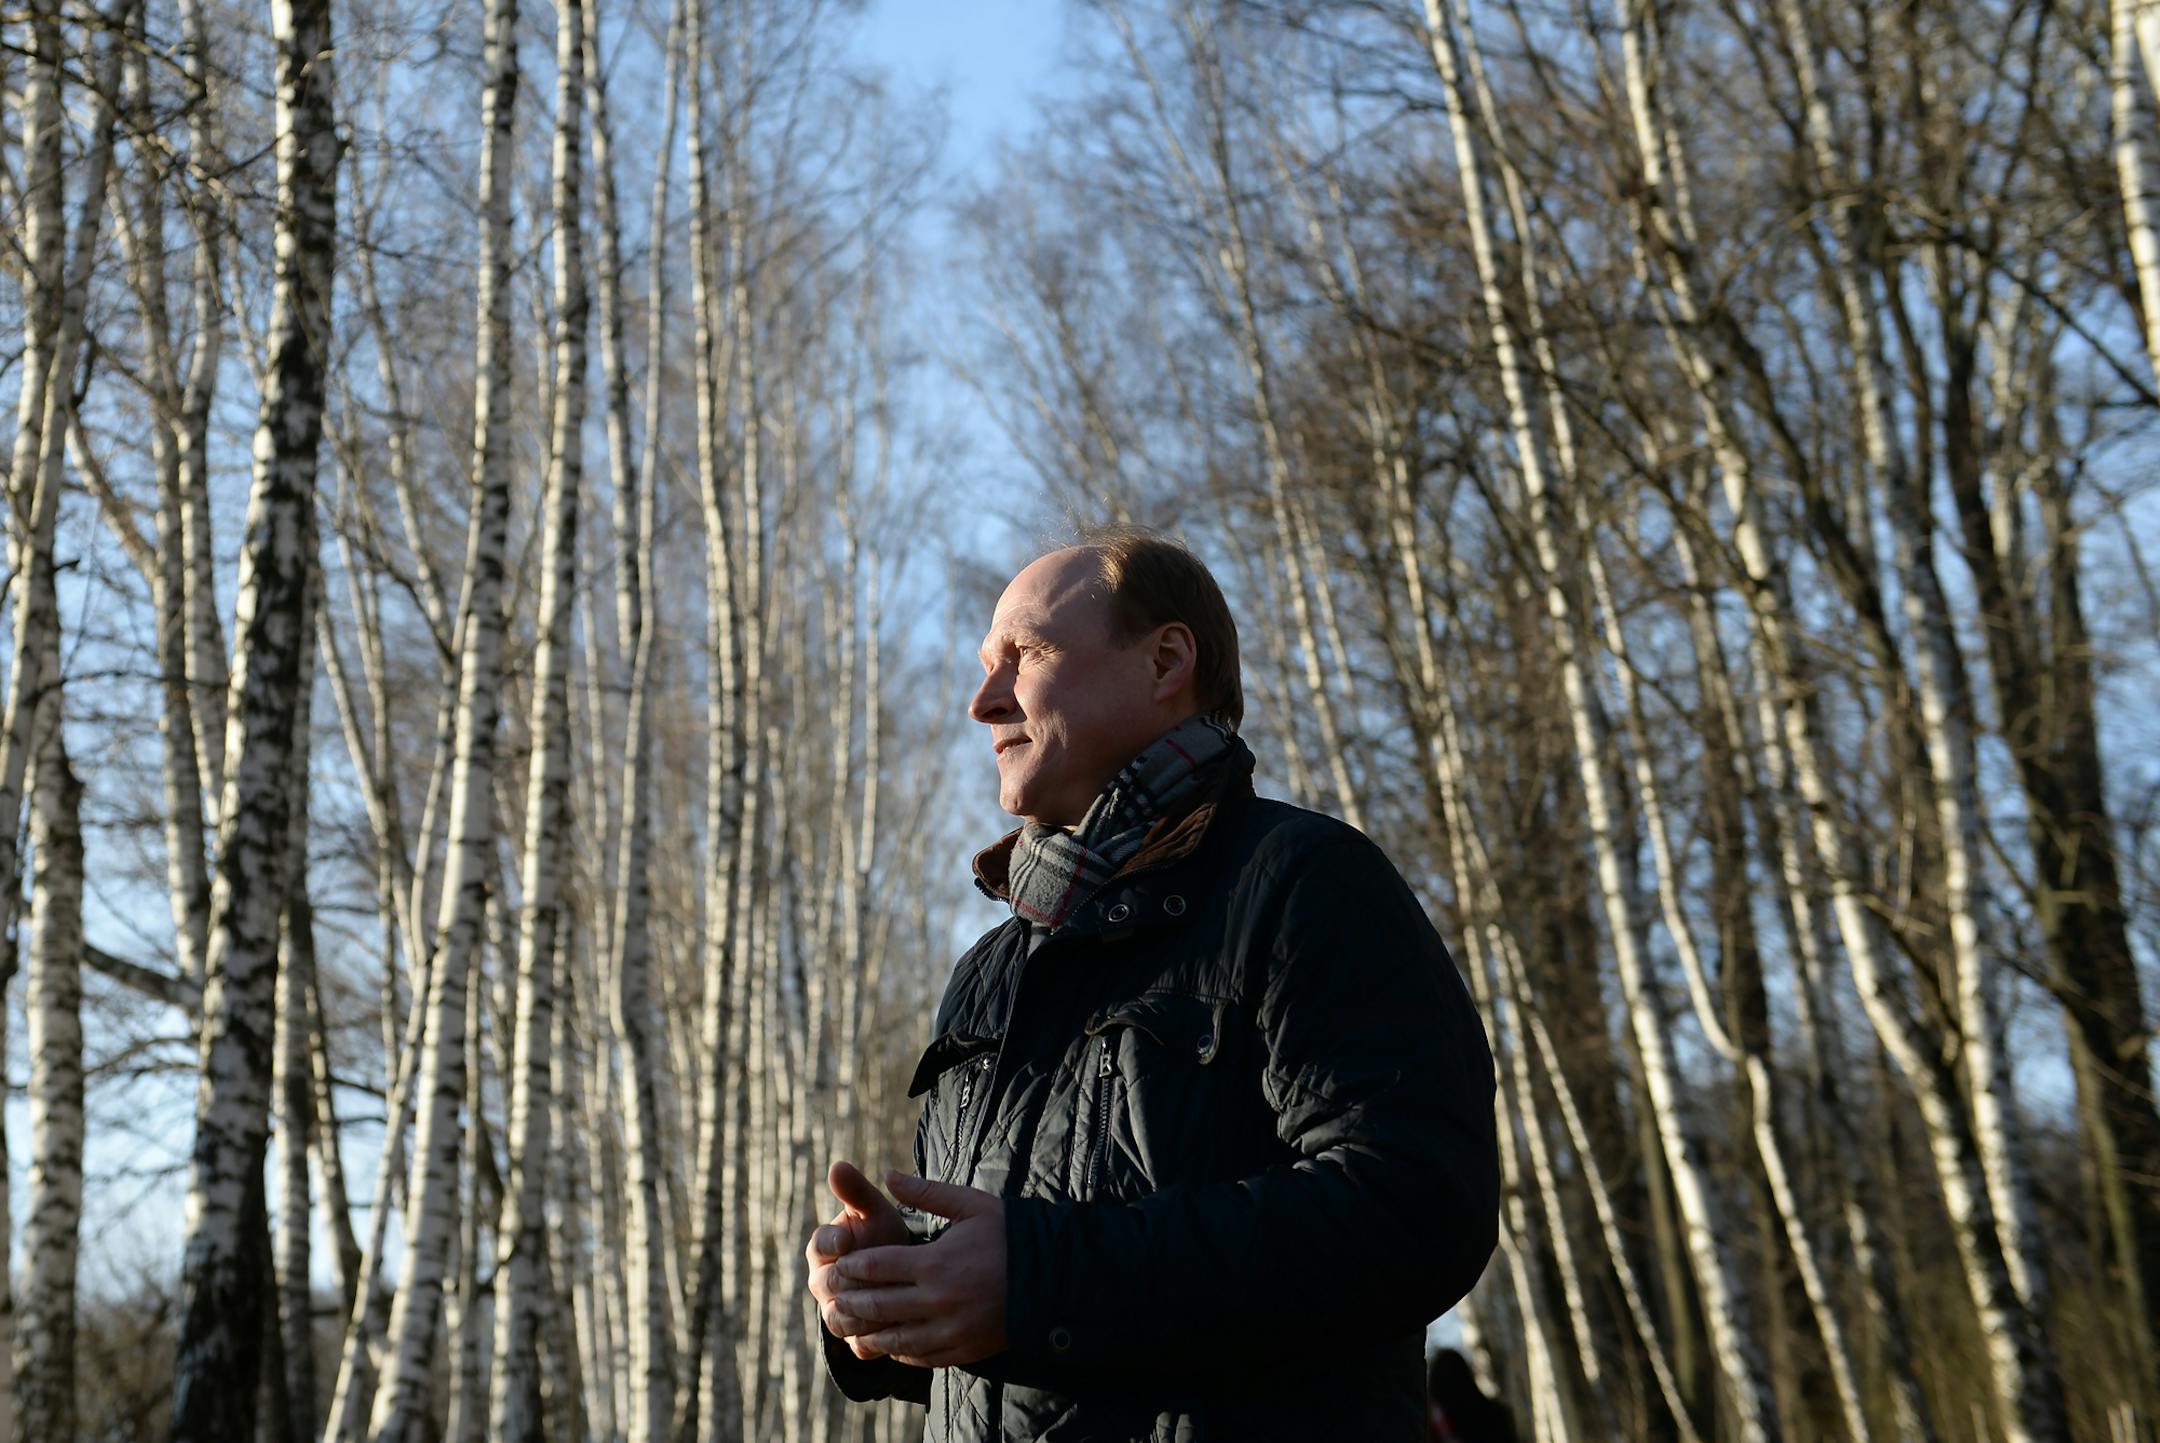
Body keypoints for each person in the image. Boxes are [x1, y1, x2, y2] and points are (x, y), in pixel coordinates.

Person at [804, 528, 1500, 1441]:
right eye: (985, 664)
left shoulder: (1301, 882)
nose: (984, 700)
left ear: (1167, 660)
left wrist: (1038, 1279)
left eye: (1028, 653)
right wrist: (904, 1293)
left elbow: (1413, 1208)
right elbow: (1031, 1335)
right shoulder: (989, 969)